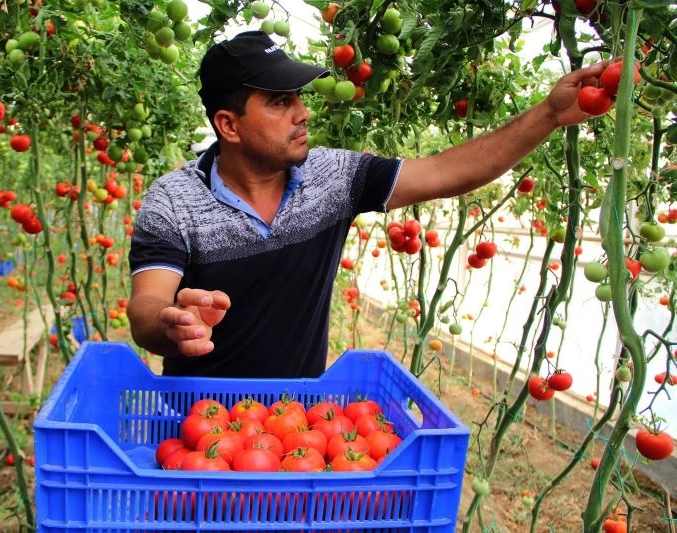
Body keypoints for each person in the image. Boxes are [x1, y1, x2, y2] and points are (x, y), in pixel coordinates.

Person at [127, 30, 608, 378]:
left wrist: (549, 114)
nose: (303, 112)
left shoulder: (332, 176)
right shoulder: (175, 200)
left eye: (298, 96)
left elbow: (447, 172)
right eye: (279, 102)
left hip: (296, 429)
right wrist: (172, 323)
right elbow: (147, 305)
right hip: (198, 429)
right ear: (229, 125)